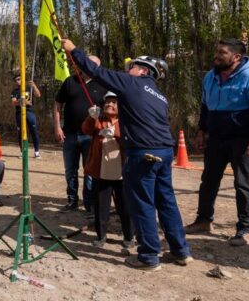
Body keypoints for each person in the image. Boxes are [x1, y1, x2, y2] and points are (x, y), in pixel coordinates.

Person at [62, 38, 191, 271]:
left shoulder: (133, 83)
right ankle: (180, 251)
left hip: (143, 153)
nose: (127, 69)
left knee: (142, 204)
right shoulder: (160, 96)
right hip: (164, 151)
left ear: (142, 70)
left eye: (132, 66)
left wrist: (73, 51)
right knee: (166, 202)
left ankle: (149, 256)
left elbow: (95, 71)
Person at [185, 38, 249, 246]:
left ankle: (245, 229)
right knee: (208, 181)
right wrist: (201, 131)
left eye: (222, 53)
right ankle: (203, 220)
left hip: (243, 141)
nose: (216, 56)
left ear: (236, 57)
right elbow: (205, 107)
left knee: (244, 184)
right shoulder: (210, 77)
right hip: (216, 139)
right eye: (217, 52)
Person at [81, 91, 134, 250]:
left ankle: (129, 236)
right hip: (101, 171)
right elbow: (85, 129)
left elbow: (132, 138)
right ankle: (101, 235)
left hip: (122, 172)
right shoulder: (99, 119)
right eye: (107, 102)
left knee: (125, 206)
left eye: (114, 102)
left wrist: (116, 134)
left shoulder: (127, 120)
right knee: (101, 206)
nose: (109, 104)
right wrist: (91, 117)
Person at [53, 56, 106, 213]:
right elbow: (57, 105)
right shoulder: (70, 81)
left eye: (94, 65)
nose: (89, 67)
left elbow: (111, 109)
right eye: (86, 63)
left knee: (89, 170)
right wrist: (57, 127)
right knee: (70, 169)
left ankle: (89, 202)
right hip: (69, 134)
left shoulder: (102, 84)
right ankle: (72, 199)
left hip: (91, 136)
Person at [10, 73, 42, 158]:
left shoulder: (29, 88)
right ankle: (23, 152)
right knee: (21, 132)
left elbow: (38, 95)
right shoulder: (14, 91)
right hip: (19, 113)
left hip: (30, 112)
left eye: (19, 79)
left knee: (34, 131)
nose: (18, 81)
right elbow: (13, 102)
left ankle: (37, 151)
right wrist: (22, 102)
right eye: (16, 80)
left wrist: (34, 86)